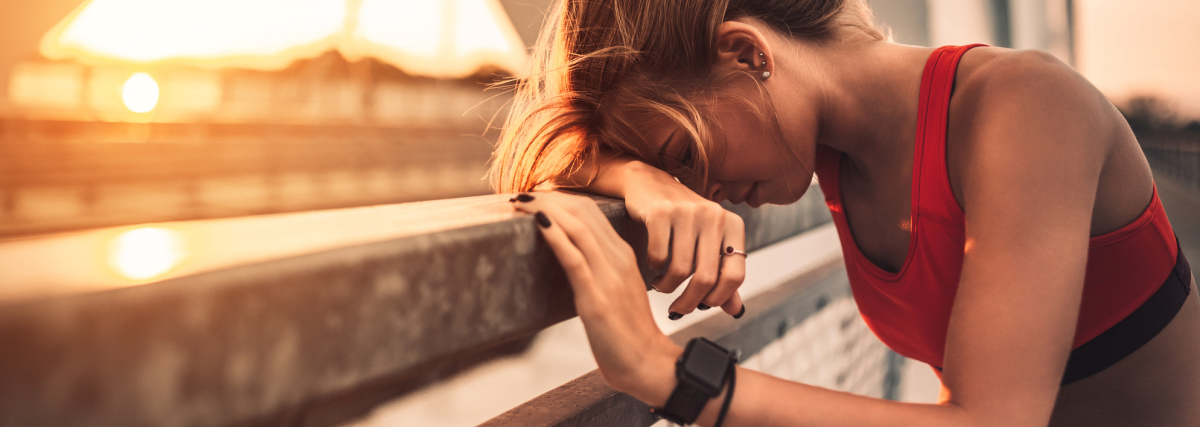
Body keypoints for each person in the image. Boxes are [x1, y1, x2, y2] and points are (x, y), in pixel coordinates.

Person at [490, 0, 1200, 426]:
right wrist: (643, 178)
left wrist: (665, 370)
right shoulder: (828, 153)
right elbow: (544, 167)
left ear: (746, 52)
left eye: (686, 153)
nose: (700, 190)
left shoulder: (1028, 106)